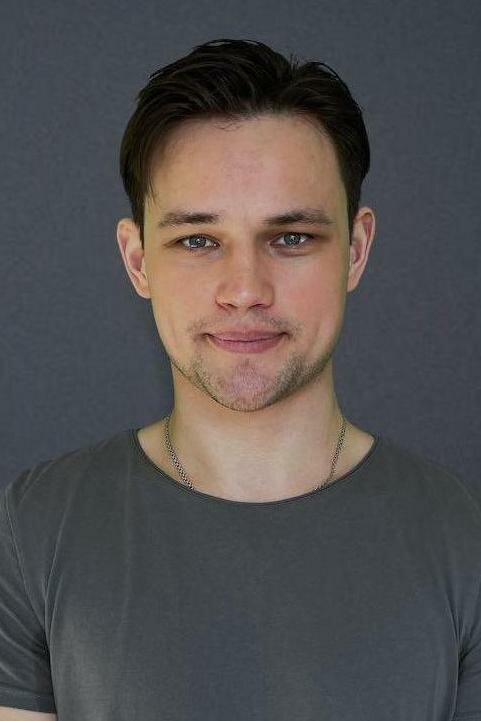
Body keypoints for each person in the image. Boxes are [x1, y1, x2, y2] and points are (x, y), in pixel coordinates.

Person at [1, 37, 479, 721]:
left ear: (356, 249)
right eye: (197, 240)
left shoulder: (465, 542)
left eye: (291, 238)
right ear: (138, 260)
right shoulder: (30, 532)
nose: (245, 289)